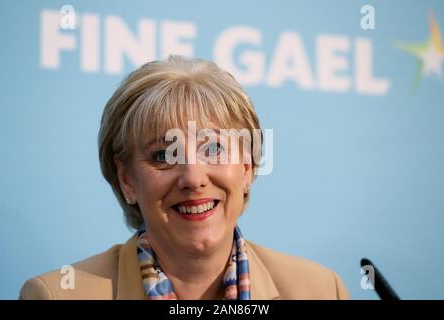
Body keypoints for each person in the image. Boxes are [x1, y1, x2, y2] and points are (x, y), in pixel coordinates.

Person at [20, 56, 349, 300]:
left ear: (247, 167)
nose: (193, 178)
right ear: (127, 180)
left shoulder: (322, 291)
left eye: (215, 149)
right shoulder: (56, 295)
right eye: (163, 155)